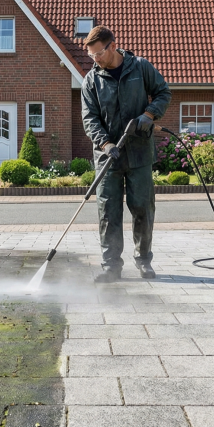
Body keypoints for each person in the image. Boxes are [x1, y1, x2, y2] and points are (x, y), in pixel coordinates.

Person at [81, 26, 171, 282]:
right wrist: (105, 143)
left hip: (139, 153)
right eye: (91, 56)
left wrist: (149, 114)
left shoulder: (140, 68)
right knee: (108, 212)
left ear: (112, 46)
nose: (95, 59)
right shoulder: (91, 80)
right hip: (108, 157)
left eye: (98, 54)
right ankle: (111, 266)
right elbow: (89, 118)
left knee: (142, 208)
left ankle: (144, 261)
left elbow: (163, 92)